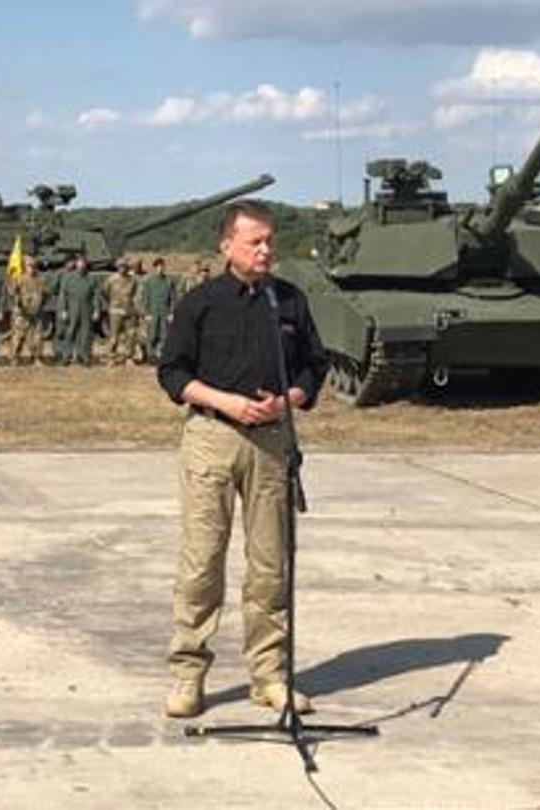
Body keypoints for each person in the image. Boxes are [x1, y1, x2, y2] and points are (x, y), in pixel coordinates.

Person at [155, 199, 328, 720]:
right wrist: (225, 402)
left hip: (272, 441)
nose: (265, 250)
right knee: (202, 562)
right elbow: (172, 373)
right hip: (212, 437)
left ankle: (269, 676)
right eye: (255, 241)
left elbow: (315, 367)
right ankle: (189, 675)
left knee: (270, 566)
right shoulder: (200, 303)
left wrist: (289, 399)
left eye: (270, 241)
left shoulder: (289, 301)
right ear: (226, 245)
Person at [53, 254, 103, 366]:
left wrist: (96, 310)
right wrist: (63, 310)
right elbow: (63, 295)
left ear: (86, 265)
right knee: (69, 333)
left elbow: (95, 296)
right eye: (79, 264)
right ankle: (66, 357)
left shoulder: (91, 279)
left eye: (83, 264)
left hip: (86, 309)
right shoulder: (68, 278)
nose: (81, 266)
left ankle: (84, 357)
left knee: (86, 334)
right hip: (72, 309)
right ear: (76, 265)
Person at [7, 255, 48, 365]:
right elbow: (11, 293)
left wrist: (39, 305)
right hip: (22, 313)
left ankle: (36, 357)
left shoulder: (40, 279)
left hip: (36, 313)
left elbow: (46, 294)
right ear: (24, 266)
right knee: (18, 336)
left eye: (33, 265)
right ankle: (14, 357)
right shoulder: (19, 278)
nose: (32, 268)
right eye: (29, 265)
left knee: (37, 336)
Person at [136, 257, 176, 362]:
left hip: (164, 312)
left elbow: (172, 298)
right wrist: (145, 313)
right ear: (155, 268)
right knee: (152, 335)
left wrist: (171, 313)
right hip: (152, 312)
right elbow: (145, 298)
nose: (160, 269)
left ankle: (161, 355)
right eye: (158, 267)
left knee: (164, 335)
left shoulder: (168, 281)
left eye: (162, 266)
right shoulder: (149, 281)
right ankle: (151, 355)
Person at [103, 259, 140, 365]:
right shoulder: (111, 280)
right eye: (120, 266)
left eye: (124, 266)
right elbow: (105, 292)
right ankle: (111, 357)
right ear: (117, 267)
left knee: (131, 335)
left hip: (129, 310)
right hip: (116, 310)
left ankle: (129, 357)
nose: (122, 268)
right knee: (114, 336)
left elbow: (135, 293)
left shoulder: (132, 280)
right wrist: (112, 304)